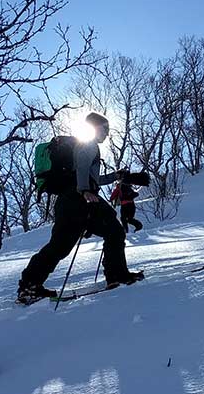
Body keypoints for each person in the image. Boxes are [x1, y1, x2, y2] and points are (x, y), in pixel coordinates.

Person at [17, 113, 144, 303]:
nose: (107, 134)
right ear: (94, 127)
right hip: (80, 199)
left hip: (67, 201)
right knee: (114, 230)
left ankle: (29, 286)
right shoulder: (88, 143)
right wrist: (84, 190)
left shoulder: (80, 147)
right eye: (105, 129)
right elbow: (84, 168)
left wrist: (115, 176)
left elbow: (93, 178)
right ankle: (116, 274)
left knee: (60, 246)